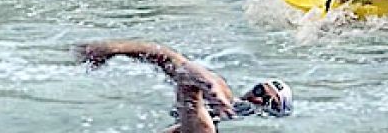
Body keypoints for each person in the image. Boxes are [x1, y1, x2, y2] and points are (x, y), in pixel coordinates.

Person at [77, 40, 293, 133]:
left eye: (267, 101)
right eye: (258, 91)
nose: (257, 99)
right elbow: (171, 58)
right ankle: (195, 85)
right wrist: (116, 49)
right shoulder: (225, 98)